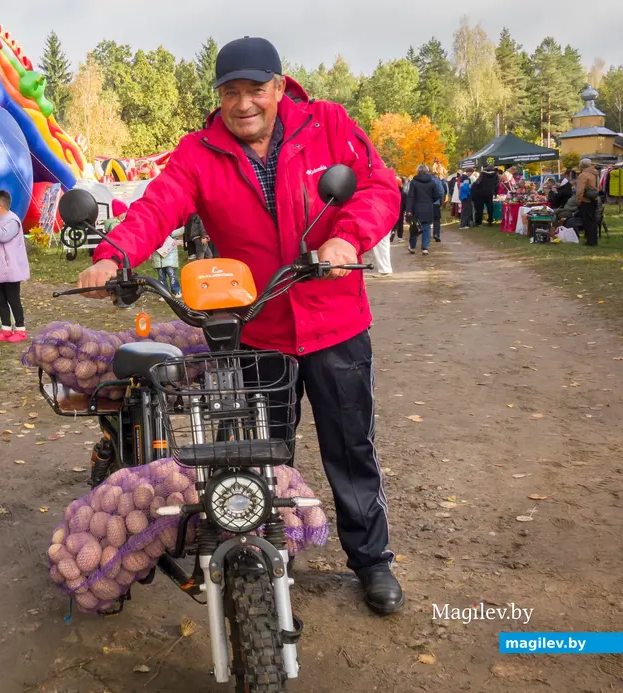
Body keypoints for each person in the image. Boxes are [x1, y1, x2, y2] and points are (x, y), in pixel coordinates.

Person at [76, 36, 404, 615]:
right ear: (219, 96)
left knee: (350, 447)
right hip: (256, 329)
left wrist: (345, 237)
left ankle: (371, 561)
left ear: (279, 86)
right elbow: (158, 206)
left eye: (257, 88)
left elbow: (378, 188)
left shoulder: (327, 124)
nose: (245, 102)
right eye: (232, 91)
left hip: (336, 321)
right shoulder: (199, 152)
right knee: (259, 456)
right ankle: (276, 555)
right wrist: (114, 255)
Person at [0, 190, 30, 342]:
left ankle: (20, 329)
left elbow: (3, 236)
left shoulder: (12, 220)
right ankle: (5, 328)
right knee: (0, 298)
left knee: (13, 298)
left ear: (0, 205)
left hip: (9, 268)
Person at [405, 165, 440, 255]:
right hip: (428, 207)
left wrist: (408, 209)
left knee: (414, 227)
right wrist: (430, 201)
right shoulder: (432, 182)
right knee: (427, 228)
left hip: (416, 208)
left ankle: (412, 247)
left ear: (418, 171)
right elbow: (437, 195)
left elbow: (411, 197)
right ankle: (425, 248)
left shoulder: (414, 182)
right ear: (427, 171)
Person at [151, 228, 184, 296]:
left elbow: (182, 229)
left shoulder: (170, 220)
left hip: (169, 252)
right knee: (161, 276)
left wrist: (170, 232)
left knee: (171, 273)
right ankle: (164, 293)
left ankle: (176, 290)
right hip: (157, 255)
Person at [575, 159, 599, 246]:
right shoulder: (595, 173)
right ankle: (593, 240)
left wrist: (578, 201)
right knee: (593, 221)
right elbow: (598, 187)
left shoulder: (583, 175)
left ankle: (590, 241)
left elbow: (580, 190)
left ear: (582, 165)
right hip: (594, 199)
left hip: (585, 200)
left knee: (587, 221)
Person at [431, 171, 446, 242]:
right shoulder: (438, 181)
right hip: (436, 203)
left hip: (426, 204)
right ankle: (436, 234)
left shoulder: (425, 181)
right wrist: (440, 202)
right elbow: (441, 192)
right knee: (436, 220)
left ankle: (426, 235)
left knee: (426, 221)